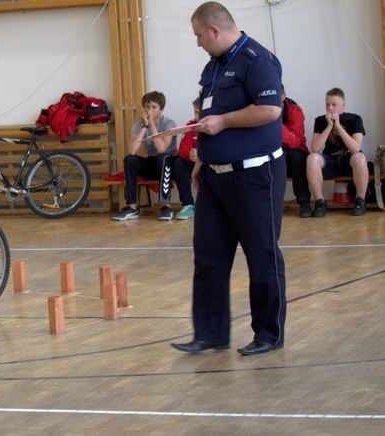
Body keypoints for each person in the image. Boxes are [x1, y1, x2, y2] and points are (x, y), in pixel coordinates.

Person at [171, 2, 286, 356]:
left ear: (215, 30)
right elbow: (210, 115)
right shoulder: (214, 67)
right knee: (209, 255)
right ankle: (211, 333)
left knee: (261, 254)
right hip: (213, 177)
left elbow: (269, 110)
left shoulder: (258, 60)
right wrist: (202, 157)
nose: (198, 43)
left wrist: (223, 123)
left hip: (255, 176)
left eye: (198, 36)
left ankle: (268, 333)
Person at [112, 91, 177, 221]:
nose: (149, 110)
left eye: (154, 107)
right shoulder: (139, 125)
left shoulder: (169, 123)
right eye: (147, 107)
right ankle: (131, 207)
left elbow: (161, 149)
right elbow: (132, 150)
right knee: (130, 160)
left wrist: (151, 124)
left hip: (168, 165)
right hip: (151, 163)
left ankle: (166, 206)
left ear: (161, 109)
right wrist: (144, 126)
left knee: (163, 158)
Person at [306, 87, 368, 217]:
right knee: (312, 158)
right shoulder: (320, 121)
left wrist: (338, 126)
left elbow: (356, 148)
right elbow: (315, 148)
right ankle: (320, 202)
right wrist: (329, 126)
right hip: (330, 160)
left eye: (334, 104)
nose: (330, 108)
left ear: (343, 105)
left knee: (360, 157)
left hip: (348, 160)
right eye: (327, 104)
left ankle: (360, 201)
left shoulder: (354, 119)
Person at [281, 87, 312, 217]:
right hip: (277, 153)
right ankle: (272, 202)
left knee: (296, 155)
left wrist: (276, 123)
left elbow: (294, 141)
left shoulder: (295, 110)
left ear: (283, 96)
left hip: (296, 156)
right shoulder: (260, 109)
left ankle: (304, 201)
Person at [173, 97, 201, 220]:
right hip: (193, 163)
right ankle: (188, 204)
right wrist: (190, 154)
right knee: (179, 163)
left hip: (210, 163)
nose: (198, 114)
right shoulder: (191, 126)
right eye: (195, 111)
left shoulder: (218, 125)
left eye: (200, 111)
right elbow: (182, 149)